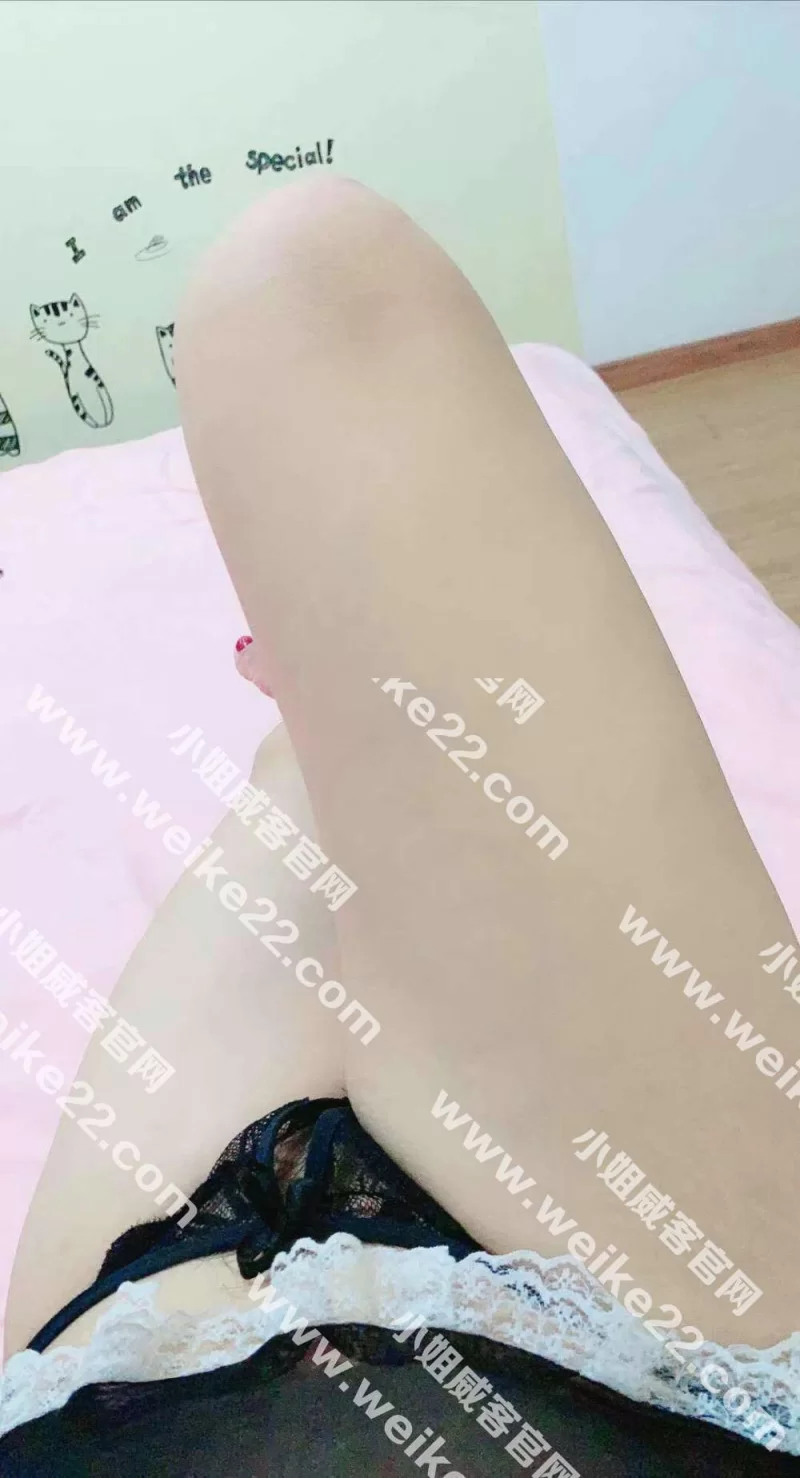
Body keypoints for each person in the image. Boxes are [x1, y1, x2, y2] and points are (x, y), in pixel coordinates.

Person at [2, 174, 799, 1474]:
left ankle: (316, 735)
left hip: (129, 1386)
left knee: (310, 291)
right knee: (320, 287)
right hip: (678, 1374)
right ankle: (327, 723)